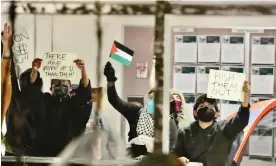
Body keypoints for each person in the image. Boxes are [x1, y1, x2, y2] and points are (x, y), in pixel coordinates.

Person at [103, 61, 190, 158]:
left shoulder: (169, 123)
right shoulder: (137, 113)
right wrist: (110, 81)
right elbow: (115, 101)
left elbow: (170, 151)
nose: (151, 101)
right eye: (150, 98)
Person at [19, 57, 92, 157]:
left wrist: (83, 70)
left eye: (64, 83)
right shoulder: (44, 101)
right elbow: (33, 93)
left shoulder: (74, 104)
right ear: (51, 88)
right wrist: (34, 71)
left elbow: (85, 92)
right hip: (44, 157)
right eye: (56, 83)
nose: (60, 85)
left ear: (70, 88)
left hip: (69, 158)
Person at [174, 81, 251, 166]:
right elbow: (174, 157)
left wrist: (245, 97)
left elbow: (241, 120)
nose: (206, 107)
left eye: (210, 106)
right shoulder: (185, 132)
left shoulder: (225, 128)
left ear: (217, 113)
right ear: (195, 112)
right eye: (202, 106)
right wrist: (179, 160)